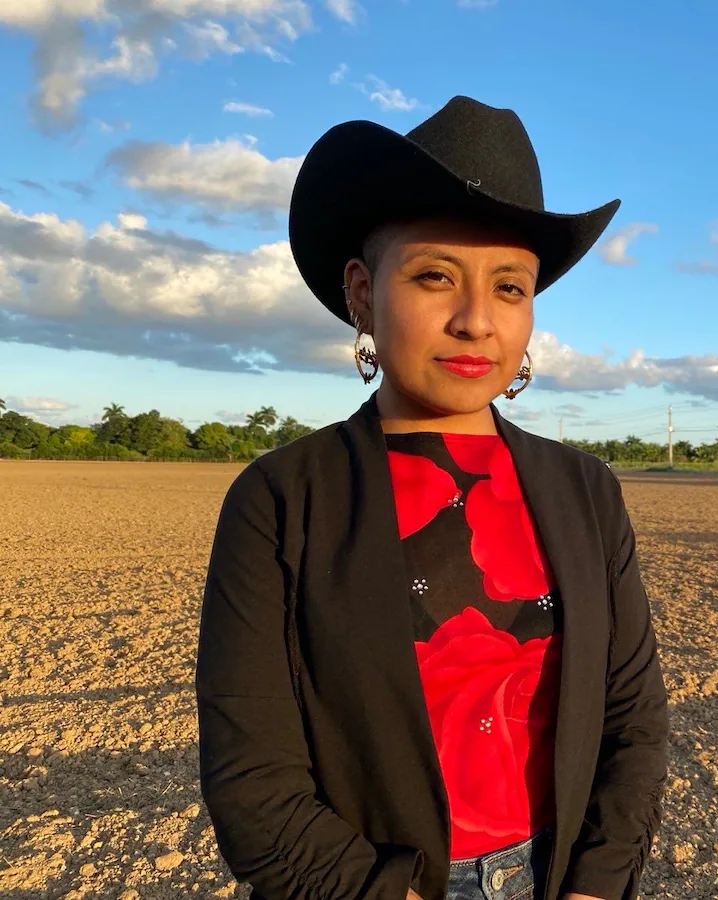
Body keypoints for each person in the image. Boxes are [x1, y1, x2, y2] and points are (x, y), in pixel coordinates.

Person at [194, 95, 670, 900]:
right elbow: (253, 780)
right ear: (362, 292)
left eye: (510, 287)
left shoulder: (585, 489)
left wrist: (596, 882)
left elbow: (633, 715)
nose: (476, 321)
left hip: (560, 878)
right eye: (435, 276)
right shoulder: (281, 500)